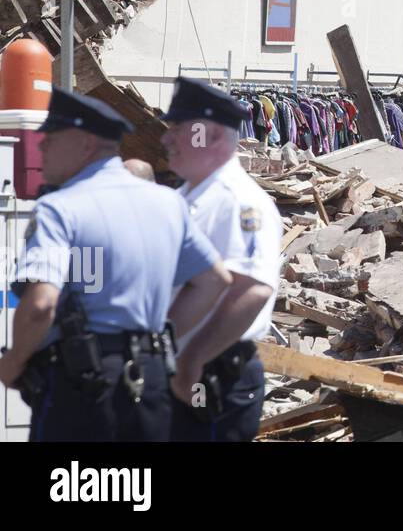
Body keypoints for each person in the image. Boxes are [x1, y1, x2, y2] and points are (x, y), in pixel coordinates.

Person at [0, 88, 230, 442]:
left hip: (79, 384)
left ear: (85, 143)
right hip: (151, 378)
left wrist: (13, 363)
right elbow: (214, 281)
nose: (40, 146)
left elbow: (40, 305)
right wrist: (162, 336)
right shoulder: (169, 204)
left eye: (51, 138)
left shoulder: (60, 208)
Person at [161, 78, 282, 441]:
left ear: (209, 136)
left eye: (177, 129)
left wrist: (192, 359)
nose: (166, 139)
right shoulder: (188, 195)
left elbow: (253, 290)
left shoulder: (239, 200)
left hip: (212, 372)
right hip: (184, 367)